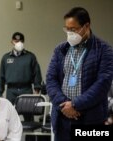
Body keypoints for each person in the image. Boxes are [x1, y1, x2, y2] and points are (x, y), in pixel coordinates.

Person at [46, 7, 113, 141]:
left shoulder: (104, 50)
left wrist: (75, 104)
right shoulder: (60, 49)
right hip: (62, 117)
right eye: (67, 29)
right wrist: (64, 104)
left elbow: (102, 84)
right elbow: (51, 79)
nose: (69, 33)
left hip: (90, 118)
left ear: (86, 26)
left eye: (73, 29)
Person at [0, 32, 42, 105]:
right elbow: (1, 76)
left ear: (23, 42)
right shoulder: (6, 58)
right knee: (10, 115)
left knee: (28, 114)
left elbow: (37, 74)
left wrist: (36, 91)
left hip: (26, 89)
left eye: (21, 41)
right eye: (16, 41)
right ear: (12, 42)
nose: (19, 43)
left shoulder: (30, 56)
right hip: (11, 91)